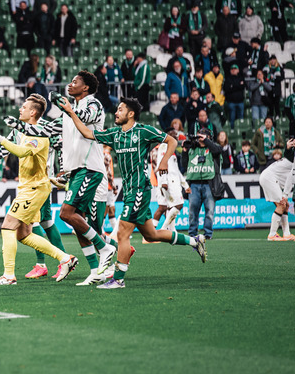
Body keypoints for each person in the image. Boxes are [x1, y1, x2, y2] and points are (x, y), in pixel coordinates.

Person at [60, 97, 207, 288]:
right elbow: (88, 133)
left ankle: (118, 279)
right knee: (151, 235)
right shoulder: (115, 134)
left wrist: (163, 163)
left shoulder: (143, 131)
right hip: (129, 189)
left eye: (120, 109)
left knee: (122, 234)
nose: (116, 112)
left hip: (139, 190)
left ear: (130, 114)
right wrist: (71, 113)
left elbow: (171, 140)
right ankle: (195, 241)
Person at [5, 72, 118, 284]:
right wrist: (16, 125)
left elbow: (84, 118)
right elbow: (45, 130)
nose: (70, 84)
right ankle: (95, 271)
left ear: (85, 88)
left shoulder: (94, 104)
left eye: (75, 82)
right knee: (78, 223)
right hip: (76, 170)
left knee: (67, 213)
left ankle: (106, 248)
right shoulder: (67, 113)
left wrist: (66, 107)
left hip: (90, 168)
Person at [0, 95, 78, 286]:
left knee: (8, 226)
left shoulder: (39, 134)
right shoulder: (26, 132)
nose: (20, 109)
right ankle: (65, 258)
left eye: (24, 107)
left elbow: (22, 152)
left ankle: (8, 276)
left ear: (33, 112)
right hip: (29, 187)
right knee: (23, 234)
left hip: (34, 189)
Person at [184, 128, 222, 242]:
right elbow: (184, 163)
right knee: (192, 211)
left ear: (209, 137)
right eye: (200, 136)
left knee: (209, 211)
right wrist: (186, 148)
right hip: (193, 184)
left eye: (204, 136)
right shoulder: (192, 149)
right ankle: (192, 233)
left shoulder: (212, 148)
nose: (201, 138)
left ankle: (208, 233)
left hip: (209, 184)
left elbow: (217, 150)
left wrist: (206, 141)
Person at [259, 152, 295, 241]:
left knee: (285, 205)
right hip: (269, 178)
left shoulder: (292, 160)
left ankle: (287, 234)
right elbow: (290, 178)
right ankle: (272, 234)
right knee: (281, 205)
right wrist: (285, 195)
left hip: (269, 177)